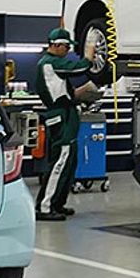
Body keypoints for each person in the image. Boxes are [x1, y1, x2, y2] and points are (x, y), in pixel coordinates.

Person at [34, 28, 97, 222]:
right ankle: (45, 206)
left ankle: (57, 203)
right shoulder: (50, 62)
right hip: (60, 115)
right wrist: (89, 56)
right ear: (56, 45)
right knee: (60, 161)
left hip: (66, 113)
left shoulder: (52, 64)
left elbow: (62, 88)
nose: (68, 50)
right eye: (66, 47)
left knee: (69, 161)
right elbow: (78, 68)